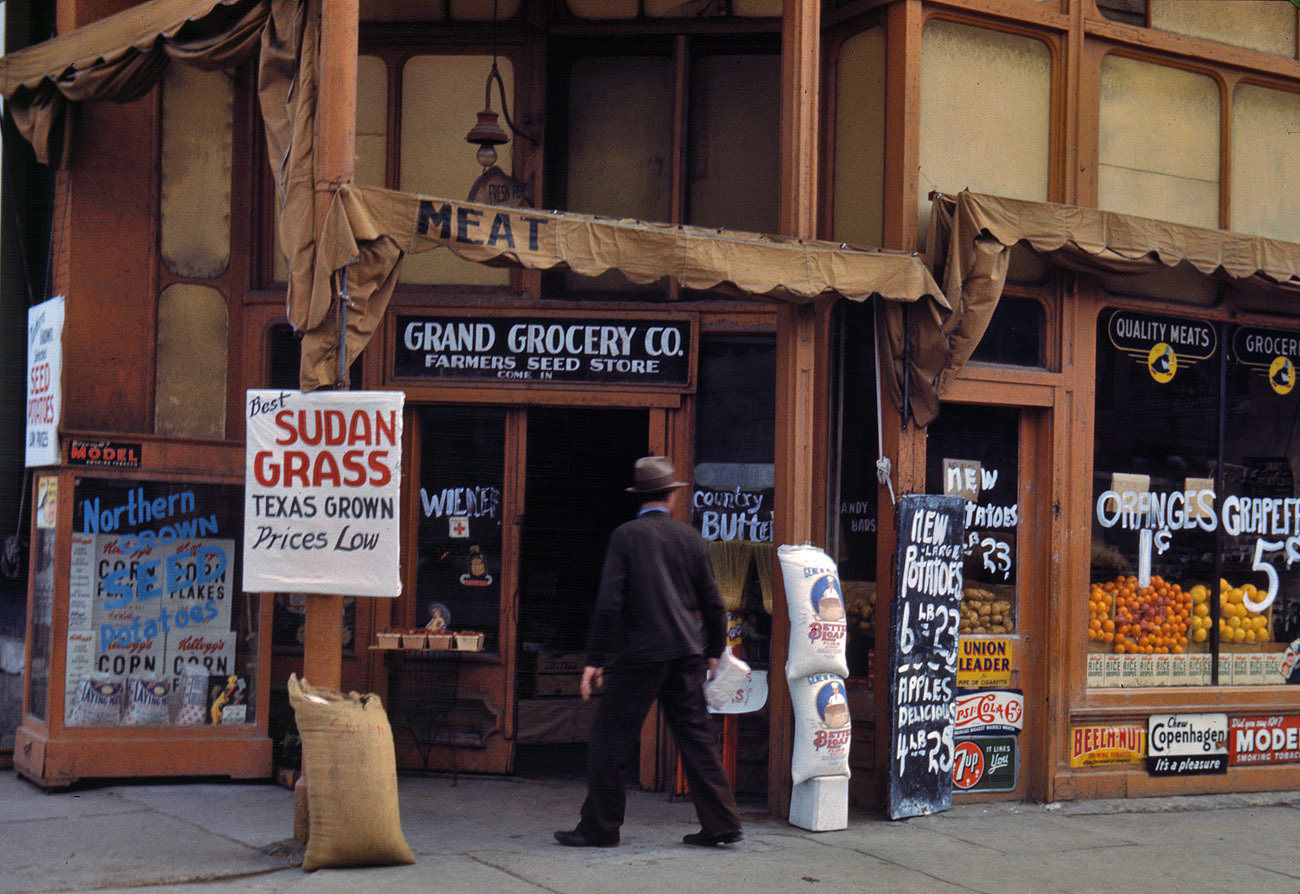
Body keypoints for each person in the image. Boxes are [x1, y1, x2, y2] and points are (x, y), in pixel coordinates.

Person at [554, 456, 744, 849]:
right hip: (686, 654)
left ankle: (600, 827)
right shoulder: (690, 538)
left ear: (639, 498)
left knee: (610, 739)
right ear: (671, 497)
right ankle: (723, 823)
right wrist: (713, 650)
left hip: (642, 655)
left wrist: (593, 659)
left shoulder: (626, 536)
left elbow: (609, 604)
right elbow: (714, 602)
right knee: (697, 739)